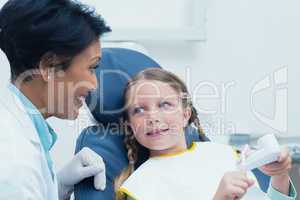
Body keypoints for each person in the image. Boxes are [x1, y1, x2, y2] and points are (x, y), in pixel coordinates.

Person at [114, 68, 297, 200]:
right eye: (139, 110)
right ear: (130, 124)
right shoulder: (140, 187)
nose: (152, 117)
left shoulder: (226, 156)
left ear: (185, 114)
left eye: (165, 105)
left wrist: (280, 175)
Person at [0, 0, 111, 199]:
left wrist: (59, 186)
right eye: (92, 68)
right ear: (49, 67)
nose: (94, 84)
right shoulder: (14, 161)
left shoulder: (18, 127)